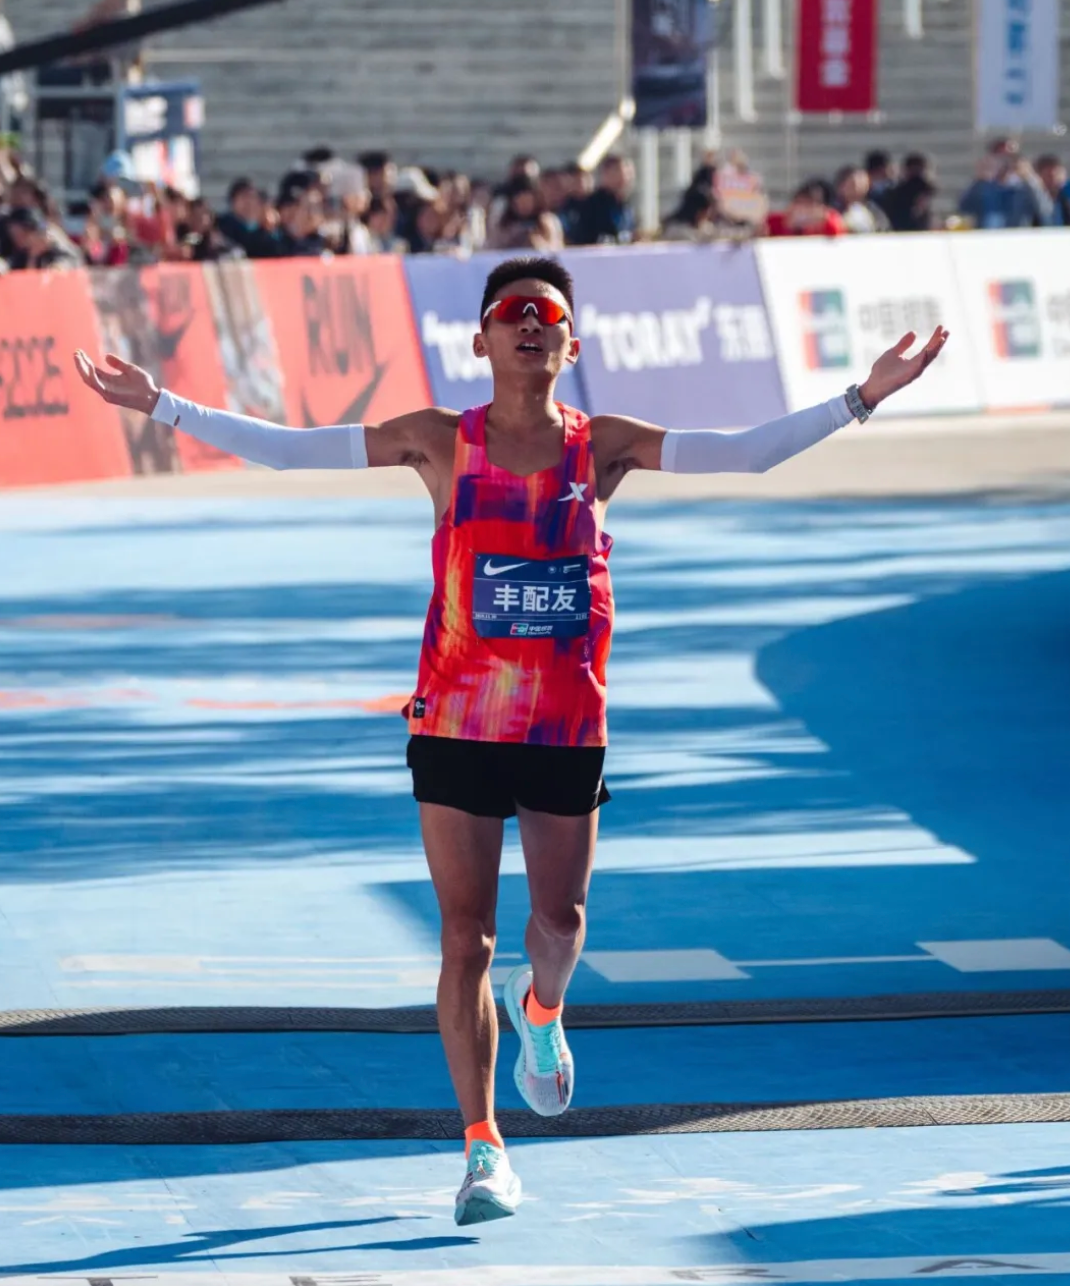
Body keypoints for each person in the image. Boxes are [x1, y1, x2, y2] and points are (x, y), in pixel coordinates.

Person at [73, 256, 949, 1226]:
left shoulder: (603, 446)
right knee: (465, 937)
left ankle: (543, 1010)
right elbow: (288, 450)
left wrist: (861, 397)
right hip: (456, 720)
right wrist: (164, 405)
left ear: (571, 343)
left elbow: (743, 453)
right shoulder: (435, 440)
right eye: (513, 312)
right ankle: (482, 1144)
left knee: (559, 925)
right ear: (481, 339)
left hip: (565, 725)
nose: (532, 325)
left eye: (549, 315)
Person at [570, 154, 637, 245]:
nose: (625, 180)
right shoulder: (591, 207)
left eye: (628, 174)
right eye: (619, 174)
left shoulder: (626, 208)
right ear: (605, 175)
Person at [765, 181, 847, 237]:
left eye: (809, 205)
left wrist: (822, 220)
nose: (803, 210)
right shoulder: (778, 219)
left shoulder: (828, 217)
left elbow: (838, 231)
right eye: (799, 203)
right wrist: (788, 226)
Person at [833, 165, 892, 234]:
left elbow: (884, 230)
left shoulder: (873, 210)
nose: (858, 187)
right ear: (841, 186)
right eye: (853, 184)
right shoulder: (833, 211)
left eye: (862, 183)